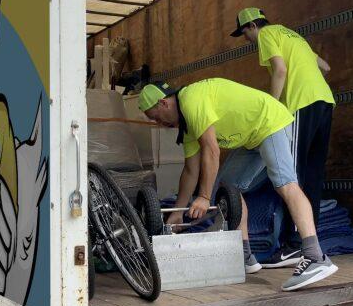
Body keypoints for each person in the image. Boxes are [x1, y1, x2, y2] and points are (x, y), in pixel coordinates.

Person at [138, 79, 338, 291]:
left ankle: (315, 256)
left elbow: (211, 151)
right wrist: (178, 211)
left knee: (285, 184)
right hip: (251, 138)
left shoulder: (191, 100)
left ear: (163, 103)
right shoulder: (188, 127)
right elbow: (190, 170)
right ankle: (244, 255)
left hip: (269, 122)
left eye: (155, 117)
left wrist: (204, 197)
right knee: (229, 189)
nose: (159, 124)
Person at [231, 8, 335, 268]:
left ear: (252, 26)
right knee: (312, 175)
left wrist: (273, 107)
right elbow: (324, 66)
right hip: (325, 101)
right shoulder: (292, 35)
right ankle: (309, 239)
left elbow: (279, 69)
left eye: (244, 33)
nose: (246, 39)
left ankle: (294, 245)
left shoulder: (266, 35)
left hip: (301, 104)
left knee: (292, 177)